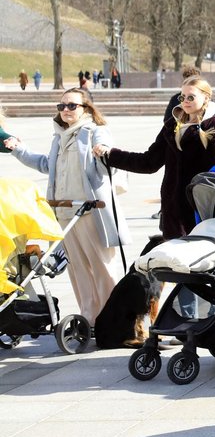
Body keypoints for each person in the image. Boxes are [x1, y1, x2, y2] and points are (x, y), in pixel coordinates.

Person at [92, 76, 215, 318]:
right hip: (173, 210)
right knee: (182, 271)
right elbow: (149, 162)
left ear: (206, 98)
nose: (186, 101)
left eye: (191, 96)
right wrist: (111, 155)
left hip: (201, 208)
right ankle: (189, 323)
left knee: (204, 267)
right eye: (182, 97)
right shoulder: (173, 124)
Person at [4, 89, 130, 320]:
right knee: (78, 270)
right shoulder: (59, 136)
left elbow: (106, 154)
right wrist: (19, 150)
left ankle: (115, 319)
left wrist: (103, 152)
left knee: (103, 268)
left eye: (71, 106)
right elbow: (46, 165)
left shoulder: (95, 131)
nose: (65, 110)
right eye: (61, 106)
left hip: (91, 211)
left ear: (86, 108)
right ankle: (89, 317)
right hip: (65, 213)